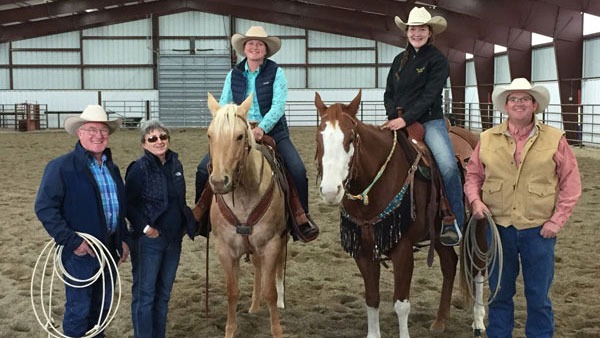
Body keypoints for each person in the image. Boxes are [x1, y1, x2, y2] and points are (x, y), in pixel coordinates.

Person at [464, 78, 582, 337]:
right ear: (505, 106)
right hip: (498, 228)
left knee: (539, 296)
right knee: (499, 294)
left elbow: (571, 184)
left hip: (539, 230)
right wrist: (475, 201)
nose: (519, 103)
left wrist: (556, 222)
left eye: (524, 99)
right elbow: (473, 176)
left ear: (534, 105)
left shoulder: (555, 139)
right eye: (514, 99)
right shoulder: (487, 138)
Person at [195, 26, 319, 242]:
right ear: (244, 48)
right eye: (250, 43)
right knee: (202, 169)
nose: (254, 47)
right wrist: (230, 125)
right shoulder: (233, 74)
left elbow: (278, 105)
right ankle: (200, 215)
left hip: (272, 130)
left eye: (259, 44)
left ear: (265, 50)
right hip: (237, 130)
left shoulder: (276, 72)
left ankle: (301, 216)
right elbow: (224, 103)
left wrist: (262, 127)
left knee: (297, 169)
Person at [34, 105, 130, 338]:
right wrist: (72, 241)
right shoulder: (61, 167)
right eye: (91, 130)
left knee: (101, 310)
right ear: (80, 133)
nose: (98, 135)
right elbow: (45, 207)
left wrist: (123, 238)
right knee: (79, 310)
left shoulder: (112, 168)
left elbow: (119, 207)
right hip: (80, 253)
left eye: (103, 131)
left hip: (109, 249)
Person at [384, 6, 465, 246]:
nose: (416, 33)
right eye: (412, 29)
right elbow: (389, 92)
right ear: (406, 32)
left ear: (430, 33)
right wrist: (393, 116)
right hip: (398, 119)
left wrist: (405, 119)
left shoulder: (437, 60)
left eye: (421, 29)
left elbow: (429, 96)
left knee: (448, 166)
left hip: (430, 121)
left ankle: (455, 222)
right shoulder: (399, 60)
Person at [125, 120, 196, 338]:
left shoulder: (176, 164)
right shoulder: (138, 168)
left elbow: (180, 199)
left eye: (163, 137)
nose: (159, 141)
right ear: (143, 143)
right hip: (149, 241)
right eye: (152, 138)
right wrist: (146, 228)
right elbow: (128, 204)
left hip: (173, 240)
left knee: (163, 294)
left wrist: (186, 224)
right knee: (145, 294)